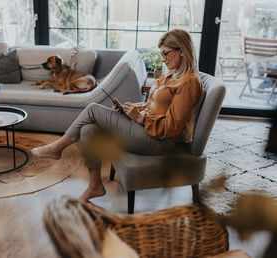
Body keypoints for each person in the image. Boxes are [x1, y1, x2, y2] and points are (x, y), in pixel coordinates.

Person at [31, 29, 203, 201]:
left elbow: (173, 128)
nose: (163, 59)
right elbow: (153, 105)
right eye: (161, 54)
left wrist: (141, 118)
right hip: (145, 129)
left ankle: (57, 148)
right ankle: (95, 186)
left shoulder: (189, 82)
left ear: (181, 50)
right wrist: (132, 109)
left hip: (159, 141)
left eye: (166, 54)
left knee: (92, 109)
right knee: (88, 130)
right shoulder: (170, 75)